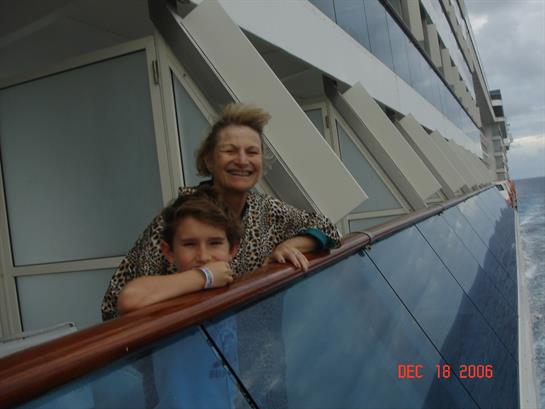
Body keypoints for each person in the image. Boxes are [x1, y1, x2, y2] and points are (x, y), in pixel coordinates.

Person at [102, 103, 339, 321]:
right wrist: (202, 277)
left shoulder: (268, 210)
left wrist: (290, 246)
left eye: (252, 152)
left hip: (259, 354)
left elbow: (329, 229)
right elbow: (116, 303)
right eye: (230, 151)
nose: (242, 160)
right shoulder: (180, 217)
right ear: (209, 160)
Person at [116, 187, 241, 315]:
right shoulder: (164, 293)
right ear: (169, 252)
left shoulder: (244, 289)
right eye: (190, 244)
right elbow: (129, 299)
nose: (203, 257)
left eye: (214, 243)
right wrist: (205, 276)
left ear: (232, 249)